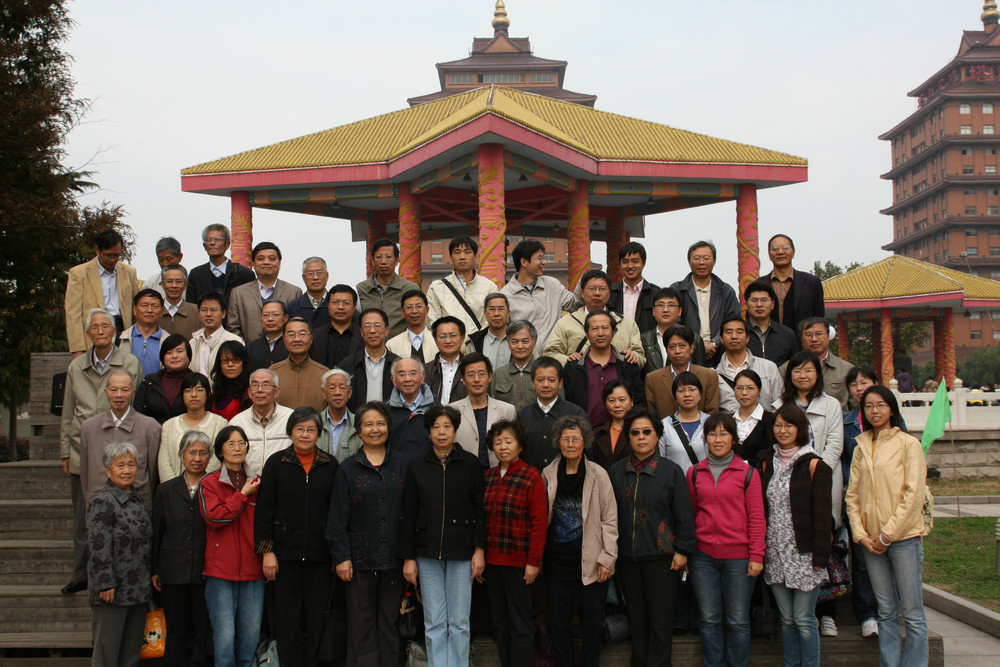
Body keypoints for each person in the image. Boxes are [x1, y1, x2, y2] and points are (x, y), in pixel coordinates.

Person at [59, 309, 142, 595]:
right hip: (82, 449)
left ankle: (120, 572)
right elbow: (68, 410)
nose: (100, 331)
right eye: (94, 327)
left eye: (105, 326)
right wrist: (65, 450)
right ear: (88, 333)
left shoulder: (129, 362)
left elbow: (134, 405)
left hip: (120, 450)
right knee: (84, 516)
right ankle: (81, 574)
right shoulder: (76, 366)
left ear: (115, 331)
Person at [845, 386, 929, 667]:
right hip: (871, 542)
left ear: (891, 408)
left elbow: (913, 495)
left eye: (880, 405)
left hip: (903, 539)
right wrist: (861, 535)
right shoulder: (861, 446)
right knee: (886, 612)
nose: (875, 411)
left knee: (912, 612)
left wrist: (887, 535)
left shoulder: (908, 444)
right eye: (869, 406)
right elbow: (852, 496)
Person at [608, 406, 696, 667]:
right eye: (635, 432)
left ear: (657, 435)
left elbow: (684, 514)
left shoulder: (671, 471)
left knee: (660, 623)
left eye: (647, 432)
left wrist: (682, 550)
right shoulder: (616, 472)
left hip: (662, 559)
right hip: (628, 558)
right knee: (637, 622)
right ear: (628, 436)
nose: (641, 437)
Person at [401, 404, 486, 667]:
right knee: (434, 621)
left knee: (459, 622)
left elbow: (480, 511)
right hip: (426, 554)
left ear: (455, 430)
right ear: (428, 432)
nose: (441, 432)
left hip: (462, 553)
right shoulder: (417, 466)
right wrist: (408, 558)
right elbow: (408, 514)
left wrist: (479, 550)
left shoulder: (470, 464)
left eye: (447, 426)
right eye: (436, 427)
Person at [327, 401, 410, 667]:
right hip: (359, 561)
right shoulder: (348, 468)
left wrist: (410, 556)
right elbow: (337, 518)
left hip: (395, 559)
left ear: (389, 427)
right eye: (368, 424)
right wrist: (341, 557)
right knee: (360, 626)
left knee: (390, 623)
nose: (375, 429)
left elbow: (413, 513)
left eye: (380, 423)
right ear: (359, 430)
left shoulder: (403, 464)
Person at [256, 407, 339, 667]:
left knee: (317, 619)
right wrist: (267, 551)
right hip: (284, 556)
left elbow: (336, 512)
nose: (305, 434)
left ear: (318, 433)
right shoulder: (276, 463)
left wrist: (336, 555)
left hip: (320, 557)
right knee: (287, 619)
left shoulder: (330, 464)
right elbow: (264, 510)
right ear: (290, 432)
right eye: (299, 429)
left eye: (310, 429)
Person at [686, 412, 765, 667]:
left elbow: (757, 517)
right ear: (705, 439)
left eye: (724, 434)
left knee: (738, 620)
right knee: (709, 619)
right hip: (703, 557)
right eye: (712, 434)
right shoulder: (694, 473)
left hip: (739, 558)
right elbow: (691, 514)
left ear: (734, 438)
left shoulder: (748, 473)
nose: (717, 439)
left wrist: (756, 555)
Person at [541, 415, 618, 667]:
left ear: (585, 441)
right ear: (558, 442)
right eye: (566, 439)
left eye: (576, 439)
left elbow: (610, 520)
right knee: (559, 622)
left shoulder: (599, 474)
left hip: (592, 561)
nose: (571, 444)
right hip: (557, 562)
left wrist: (607, 558)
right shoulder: (548, 473)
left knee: (592, 622)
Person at [761, 403, 833, 667]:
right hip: (775, 554)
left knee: (803, 619)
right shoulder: (766, 462)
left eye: (789, 425)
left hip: (805, 555)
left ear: (800, 429)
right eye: (778, 425)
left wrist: (820, 557)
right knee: (788, 619)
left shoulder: (815, 465)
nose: (783, 430)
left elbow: (823, 516)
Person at [482, 419, 548, 667]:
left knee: (520, 624)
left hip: (519, 562)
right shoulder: (488, 477)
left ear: (520, 445)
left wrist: (533, 562)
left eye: (508, 441)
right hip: (492, 562)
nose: (503, 447)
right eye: (498, 442)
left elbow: (539, 522)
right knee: (499, 621)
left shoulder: (531, 475)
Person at [199, 425, 265, 667]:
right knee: (225, 637)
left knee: (251, 635)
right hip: (220, 571)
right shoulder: (210, 482)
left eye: (241, 443)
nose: (237, 448)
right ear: (220, 451)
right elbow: (215, 518)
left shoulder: (258, 481)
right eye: (231, 444)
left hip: (253, 569)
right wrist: (242, 495)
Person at [87, 442, 152, 667]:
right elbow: (98, 548)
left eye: (131, 465)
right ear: (108, 471)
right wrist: (105, 583)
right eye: (120, 465)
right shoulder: (102, 503)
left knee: (131, 655)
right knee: (107, 654)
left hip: (138, 590)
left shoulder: (137, 500)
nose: (126, 470)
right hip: (111, 593)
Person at [151, 431, 212, 667]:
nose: (197, 458)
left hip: (205, 571)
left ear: (210, 457)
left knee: (202, 628)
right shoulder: (166, 490)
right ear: (181, 455)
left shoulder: (214, 487)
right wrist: (155, 569)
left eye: (202, 453)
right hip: (173, 570)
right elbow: (157, 532)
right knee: (175, 628)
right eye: (192, 452)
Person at [79, 369, 161, 509]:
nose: (119, 395)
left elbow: (153, 473)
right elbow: (85, 472)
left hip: (137, 505)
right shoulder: (89, 427)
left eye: (125, 390)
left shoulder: (150, 427)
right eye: (113, 390)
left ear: (133, 392)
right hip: (99, 505)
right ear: (105, 392)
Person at [842, 366, 882, 639]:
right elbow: (843, 460)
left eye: (864, 382)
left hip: (886, 498)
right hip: (856, 497)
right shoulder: (846, 422)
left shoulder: (890, 422)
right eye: (854, 384)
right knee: (861, 559)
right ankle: (867, 613)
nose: (859, 388)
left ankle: (888, 610)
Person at [543, 268, 644, 367]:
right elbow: (550, 353)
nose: (597, 293)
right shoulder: (565, 323)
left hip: (616, 377)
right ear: (582, 293)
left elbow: (640, 355)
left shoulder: (627, 323)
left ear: (609, 293)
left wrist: (633, 357)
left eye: (602, 289)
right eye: (592, 289)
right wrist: (569, 361)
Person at [563, 309, 645, 428]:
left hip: (622, 433)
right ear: (586, 334)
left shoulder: (628, 364)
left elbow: (639, 402)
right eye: (594, 329)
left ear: (613, 332)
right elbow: (568, 403)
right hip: (585, 433)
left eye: (605, 328)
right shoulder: (574, 366)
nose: (600, 333)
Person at [65, 229, 140, 355]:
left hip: (123, 330)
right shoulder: (79, 273)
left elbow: (135, 308)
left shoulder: (129, 272)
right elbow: (73, 314)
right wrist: (77, 349)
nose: (112, 260)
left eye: (116, 255)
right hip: (95, 331)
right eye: (108, 255)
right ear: (97, 250)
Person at [670, 240, 740, 367]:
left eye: (706, 258)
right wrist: (698, 344)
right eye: (697, 258)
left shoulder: (726, 291)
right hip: (686, 354)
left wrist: (714, 343)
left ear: (714, 261)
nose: (701, 262)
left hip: (720, 354)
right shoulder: (678, 289)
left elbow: (733, 320)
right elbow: (674, 321)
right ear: (689, 262)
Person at [500, 238, 582, 344]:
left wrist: (586, 282)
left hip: (554, 352)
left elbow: (574, 303)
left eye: (544, 258)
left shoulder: (552, 285)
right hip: (524, 353)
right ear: (524, 262)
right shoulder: (505, 295)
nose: (544, 262)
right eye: (540, 258)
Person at [516, 356, 587, 470]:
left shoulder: (576, 413)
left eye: (551, 380)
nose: (546, 385)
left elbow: (587, 454)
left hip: (565, 478)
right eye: (540, 380)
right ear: (532, 383)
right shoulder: (522, 415)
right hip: (530, 478)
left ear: (560, 383)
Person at [450, 352, 516, 468]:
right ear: (463, 379)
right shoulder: (451, 410)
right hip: (463, 473)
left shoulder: (507, 410)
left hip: (497, 474)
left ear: (490, 376)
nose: (476, 380)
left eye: (481, 374)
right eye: (471, 375)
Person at [227, 241, 303, 342]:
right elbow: (233, 328)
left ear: (279, 263)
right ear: (253, 263)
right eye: (260, 259)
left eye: (272, 259)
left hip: (284, 350)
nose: (266, 262)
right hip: (247, 350)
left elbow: (297, 326)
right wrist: (245, 349)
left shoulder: (294, 292)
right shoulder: (238, 293)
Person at [157, 373, 226, 482]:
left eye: (199, 390)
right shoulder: (169, 425)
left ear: (208, 394)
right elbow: (164, 462)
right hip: (173, 489)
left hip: (208, 488)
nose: (194, 395)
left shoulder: (220, 423)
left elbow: (216, 460)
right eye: (188, 391)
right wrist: (174, 487)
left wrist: (201, 485)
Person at [645, 325, 720, 419]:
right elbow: (652, 415)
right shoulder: (653, 379)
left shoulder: (709, 376)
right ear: (666, 350)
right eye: (672, 347)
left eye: (682, 346)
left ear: (691, 348)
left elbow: (712, 412)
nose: (677, 351)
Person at [427, 235, 499, 334]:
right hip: (448, 342)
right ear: (451, 257)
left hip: (481, 342)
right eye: (457, 252)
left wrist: (477, 339)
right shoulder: (436, 288)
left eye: (467, 252)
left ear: (475, 256)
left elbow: (492, 319)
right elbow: (433, 322)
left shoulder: (489, 287)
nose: (462, 257)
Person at [779, 317, 852, 412]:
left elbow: (855, 407)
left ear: (828, 337)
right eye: (808, 335)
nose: (814, 339)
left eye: (819, 334)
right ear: (801, 339)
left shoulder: (846, 370)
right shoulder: (786, 369)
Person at [228, 369, 293, 476]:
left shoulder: (291, 418)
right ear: (249, 392)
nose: (260, 390)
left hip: (283, 480)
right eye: (255, 385)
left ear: (276, 391)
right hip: (249, 482)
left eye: (266, 385)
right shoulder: (237, 422)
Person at [716, 316, 783, 413]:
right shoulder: (714, 374)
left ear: (747, 338)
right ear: (721, 338)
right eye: (729, 332)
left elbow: (779, 402)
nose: (734, 336)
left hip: (765, 421)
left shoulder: (768, 367)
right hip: (729, 422)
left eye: (739, 332)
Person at [337, 308, 400, 411]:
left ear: (387, 330)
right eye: (367, 326)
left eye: (377, 325)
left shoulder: (398, 364)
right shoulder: (347, 365)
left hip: (391, 419)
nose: (372, 331)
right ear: (361, 332)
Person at [356, 238, 420, 337]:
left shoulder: (410, 289)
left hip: (400, 345)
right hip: (369, 344)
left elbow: (418, 321)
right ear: (373, 261)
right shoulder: (361, 289)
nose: (383, 261)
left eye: (388, 257)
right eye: (379, 257)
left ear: (397, 260)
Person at [761, 234, 825, 330]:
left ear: (793, 252)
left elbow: (819, 318)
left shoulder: (811, 282)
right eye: (775, 249)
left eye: (785, 248)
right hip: (769, 338)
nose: (780, 252)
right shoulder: (759, 284)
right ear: (769, 255)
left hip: (801, 338)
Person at [185, 223, 256, 306]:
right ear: (204, 246)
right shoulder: (196, 274)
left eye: (217, 239)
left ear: (227, 244)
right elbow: (191, 307)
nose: (212, 243)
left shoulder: (244, 274)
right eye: (208, 239)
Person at [641, 286, 707, 374]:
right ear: (653, 311)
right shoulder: (644, 339)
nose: (665, 310)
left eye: (671, 305)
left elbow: (701, 372)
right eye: (660, 305)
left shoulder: (694, 339)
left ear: (680, 311)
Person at [656, 371, 710, 473]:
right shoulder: (665, 425)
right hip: (675, 481)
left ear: (700, 394)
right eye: (681, 391)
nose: (687, 394)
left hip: (705, 481)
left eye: (692, 390)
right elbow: (661, 461)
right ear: (675, 397)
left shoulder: (710, 423)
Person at [270, 317, 328, 411]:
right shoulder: (272, 373)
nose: (297, 339)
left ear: (311, 338)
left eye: (302, 334)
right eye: (291, 335)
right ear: (284, 339)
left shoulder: (324, 374)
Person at [134, 334, 193, 424]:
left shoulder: (197, 382)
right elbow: (138, 413)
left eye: (179, 351)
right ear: (162, 357)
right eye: (169, 353)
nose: (174, 356)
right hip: (153, 431)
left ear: (189, 354)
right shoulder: (149, 382)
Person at [386, 357, 437, 460]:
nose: (408, 379)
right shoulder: (384, 411)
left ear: (422, 377)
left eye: (413, 374)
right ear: (393, 380)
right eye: (401, 375)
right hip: (395, 468)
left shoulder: (437, 409)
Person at [606, 241, 659, 334]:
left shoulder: (656, 294)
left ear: (643, 263)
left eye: (635, 261)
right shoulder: (610, 293)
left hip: (645, 342)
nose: (630, 266)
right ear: (620, 264)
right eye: (625, 262)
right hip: (616, 342)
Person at [744, 280, 797, 367]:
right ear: (746, 304)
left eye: (764, 300)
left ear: (772, 304)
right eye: (754, 300)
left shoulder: (787, 334)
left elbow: (795, 365)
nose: (759, 304)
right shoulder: (739, 333)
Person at [310, 284, 364, 369]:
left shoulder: (364, 335)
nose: (340, 307)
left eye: (346, 303)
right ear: (328, 305)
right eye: (335, 302)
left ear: (354, 307)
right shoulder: (315, 336)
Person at [488, 319, 538, 410]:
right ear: (508, 343)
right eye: (515, 341)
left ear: (534, 343)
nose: (520, 346)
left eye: (525, 341)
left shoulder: (544, 373)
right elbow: (492, 408)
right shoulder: (499, 374)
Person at [189, 293, 242, 377]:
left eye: (213, 310)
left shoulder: (234, 341)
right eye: (204, 310)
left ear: (223, 314)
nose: (208, 314)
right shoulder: (193, 342)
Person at [316, 368, 361, 461]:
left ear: (349, 392)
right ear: (324, 393)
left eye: (342, 388)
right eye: (332, 388)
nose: (337, 392)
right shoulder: (315, 423)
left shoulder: (359, 423)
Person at [732, 369, 775, 464]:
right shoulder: (728, 420)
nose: (744, 392)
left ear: (759, 391)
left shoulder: (771, 420)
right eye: (739, 388)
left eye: (750, 388)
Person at [118, 289, 165, 377]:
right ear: (134, 310)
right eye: (144, 305)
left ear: (162, 312)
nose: (149, 310)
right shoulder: (120, 339)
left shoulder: (167, 340)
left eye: (154, 306)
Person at [425, 315, 470, 404]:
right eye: (442, 336)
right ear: (435, 340)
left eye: (453, 336)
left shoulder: (471, 368)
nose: (448, 341)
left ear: (462, 338)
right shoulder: (426, 370)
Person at [386, 289, 439, 363]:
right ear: (402, 312)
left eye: (418, 306)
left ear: (427, 310)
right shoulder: (392, 345)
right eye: (409, 307)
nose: (414, 311)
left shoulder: (438, 342)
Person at [591, 380, 635, 470]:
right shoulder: (598, 434)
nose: (617, 405)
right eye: (612, 401)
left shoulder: (640, 432)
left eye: (622, 400)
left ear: (631, 401)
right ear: (605, 404)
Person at [468, 292, 512, 370]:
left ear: (508, 313)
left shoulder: (521, 340)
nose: (496, 314)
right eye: (492, 309)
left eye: (501, 309)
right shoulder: (475, 342)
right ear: (485, 313)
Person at [210, 340, 251, 420]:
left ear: (243, 362)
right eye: (225, 360)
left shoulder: (251, 392)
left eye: (236, 360)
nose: (230, 364)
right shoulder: (216, 389)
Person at [287, 256, 331, 329]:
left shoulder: (336, 304)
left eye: (319, 273)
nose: (315, 277)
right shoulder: (292, 307)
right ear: (303, 277)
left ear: (327, 276)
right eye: (310, 273)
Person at [159, 265, 200, 340]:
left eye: (179, 281)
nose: (174, 285)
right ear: (162, 285)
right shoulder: (155, 311)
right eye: (169, 281)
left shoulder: (197, 312)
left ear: (185, 285)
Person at [247, 299, 289, 371]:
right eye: (266, 315)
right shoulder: (250, 347)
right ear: (261, 318)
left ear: (286, 318)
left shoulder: (292, 344)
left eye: (275, 315)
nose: (270, 319)